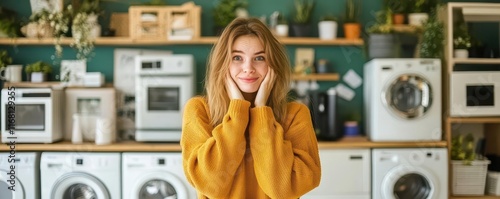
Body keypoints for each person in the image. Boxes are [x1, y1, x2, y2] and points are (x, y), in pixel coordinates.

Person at [181, 17, 321, 199]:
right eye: (237, 57)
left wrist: (261, 111)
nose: (248, 68)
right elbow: (210, 185)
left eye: (259, 58)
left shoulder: (296, 114)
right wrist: (237, 113)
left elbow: (283, 191)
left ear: (273, 64)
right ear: (223, 63)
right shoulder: (199, 110)